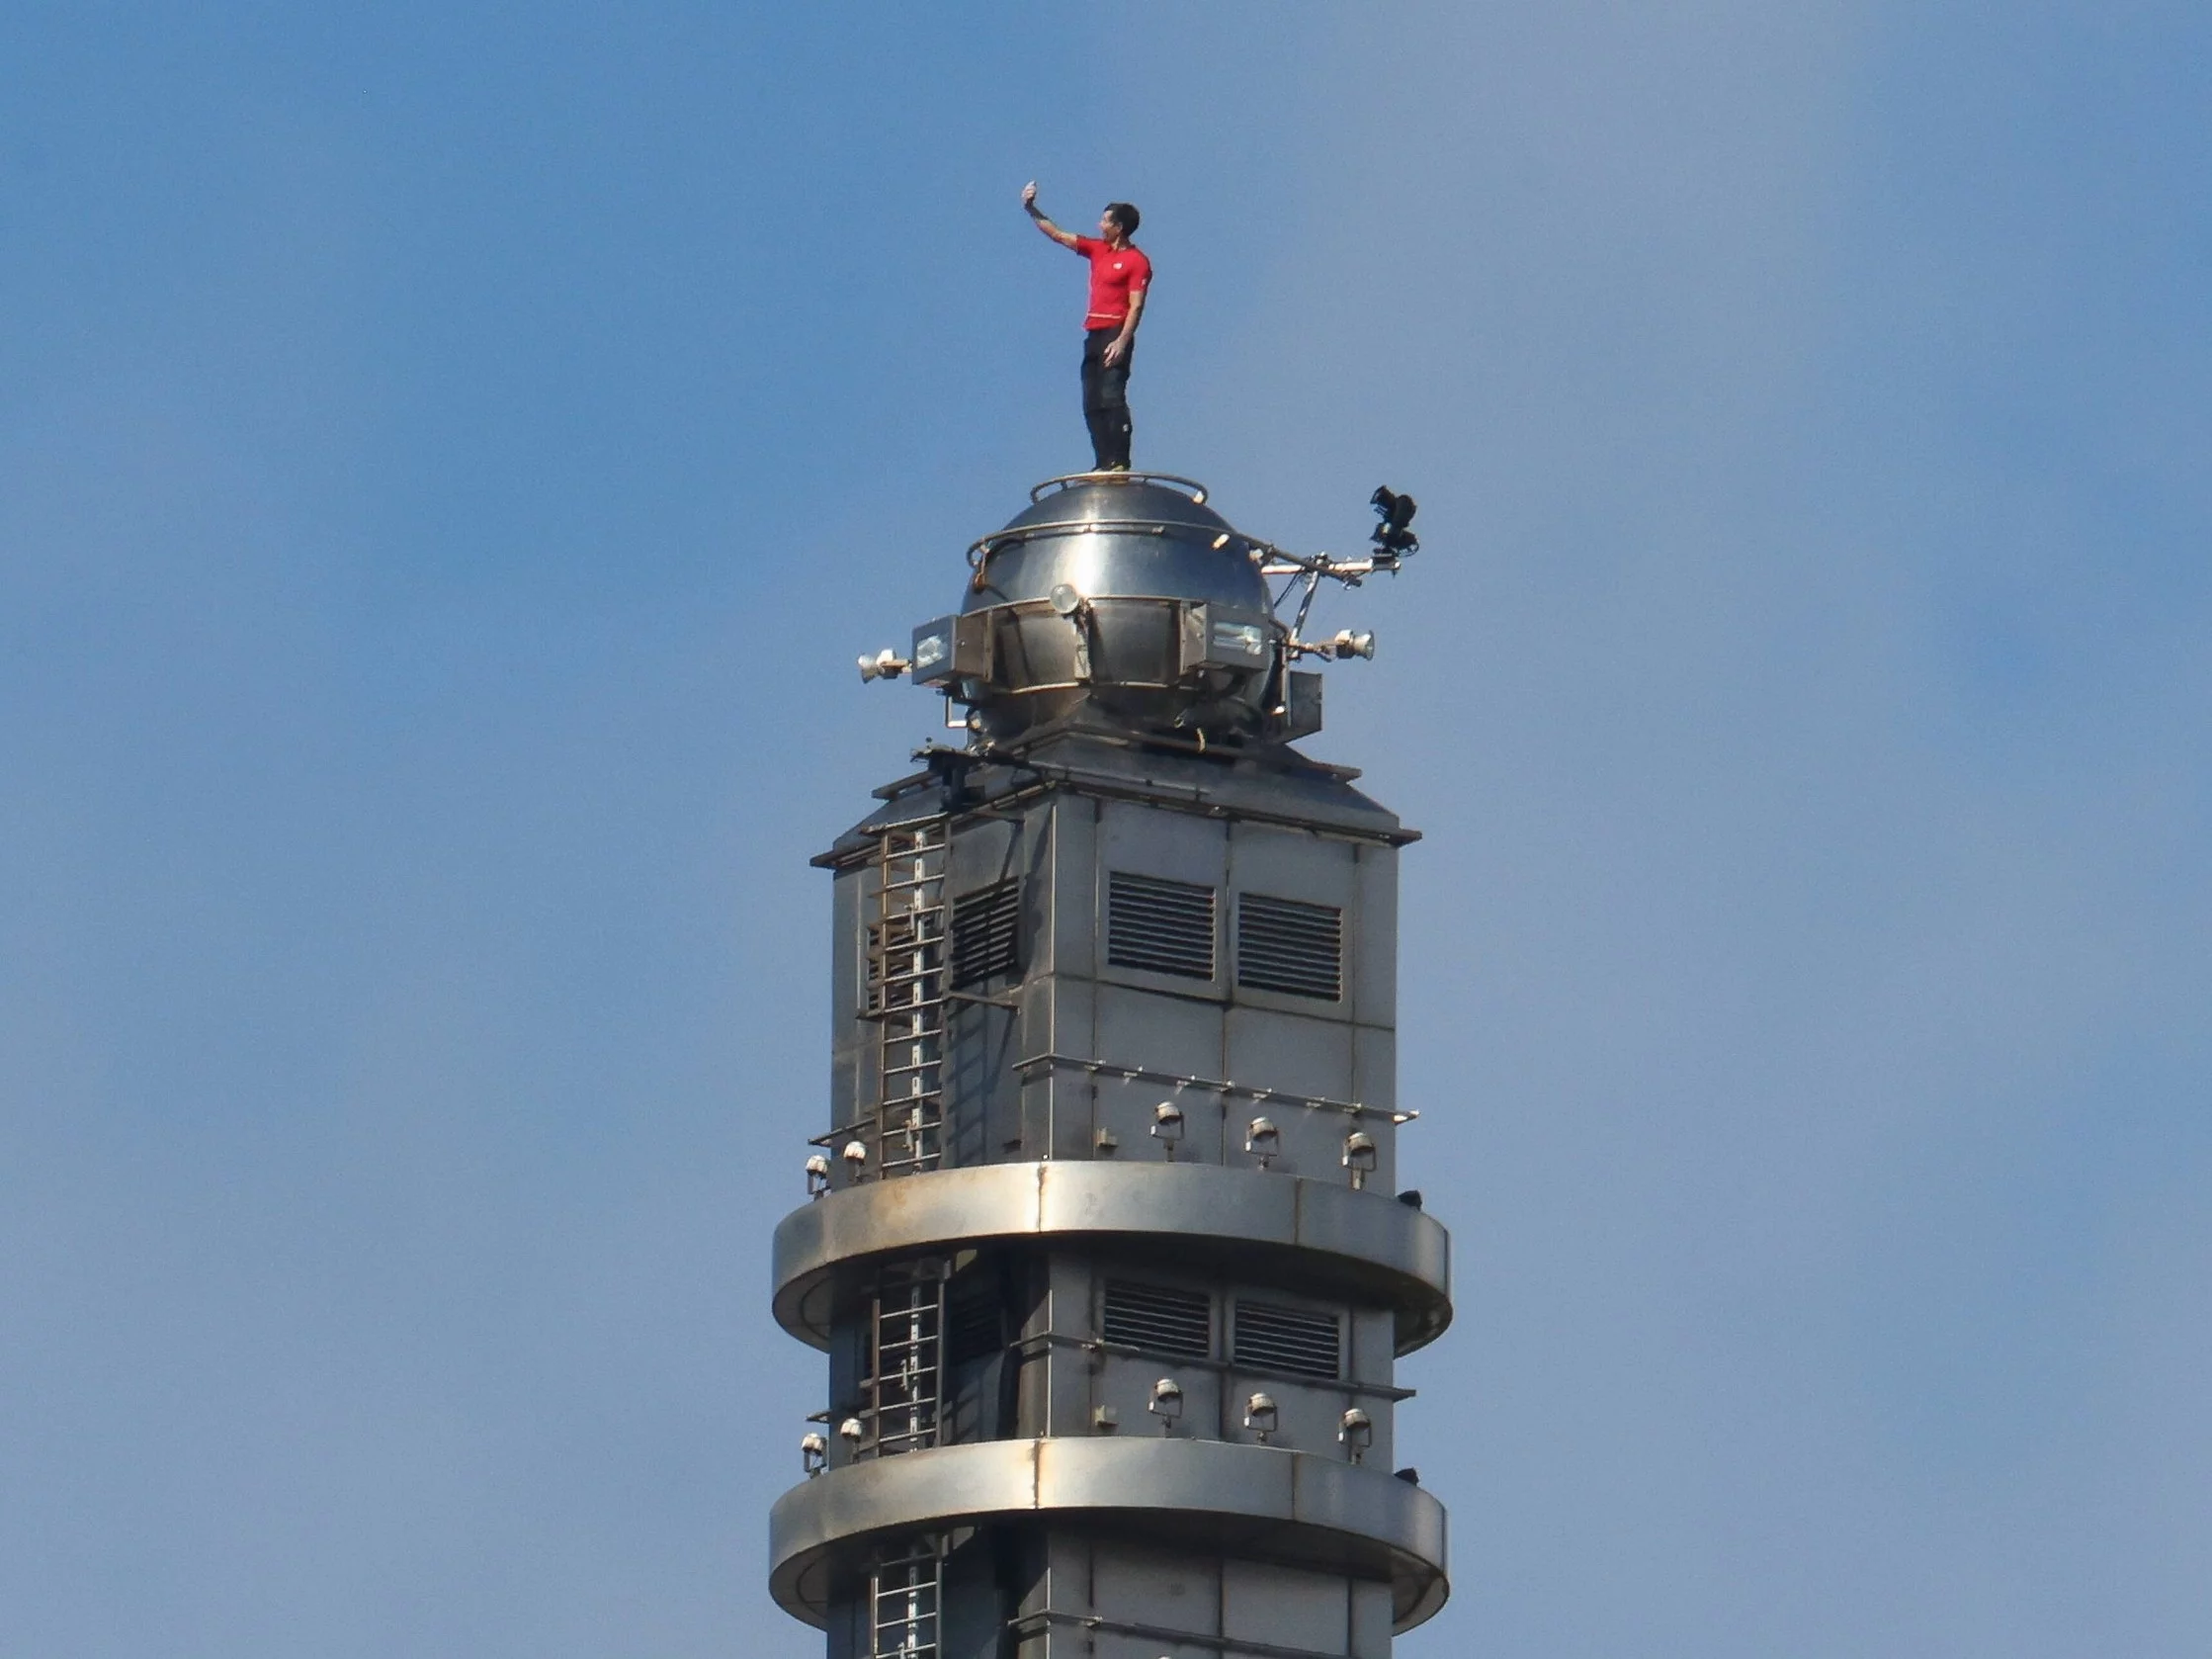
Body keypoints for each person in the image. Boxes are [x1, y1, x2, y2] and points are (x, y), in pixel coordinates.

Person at [1022, 182, 1150, 473]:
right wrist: (1031, 209)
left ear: (1119, 227)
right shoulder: (1098, 250)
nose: (1099, 224)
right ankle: (1102, 461)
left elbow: (1137, 305)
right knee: (1091, 401)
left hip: (1115, 332)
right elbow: (1057, 234)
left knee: (1110, 396)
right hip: (1093, 332)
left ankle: (1120, 460)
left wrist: (1122, 341)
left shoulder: (1136, 261)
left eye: (1105, 220)